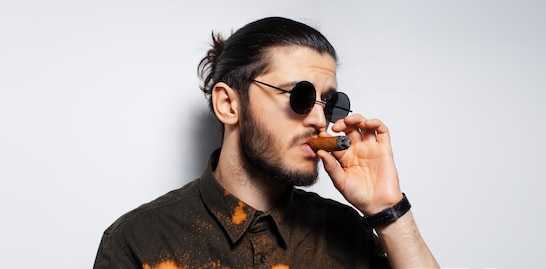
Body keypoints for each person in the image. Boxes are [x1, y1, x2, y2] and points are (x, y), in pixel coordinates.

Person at [94, 17, 439, 269]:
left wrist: (388, 209)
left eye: (330, 102)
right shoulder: (139, 240)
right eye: (300, 95)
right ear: (229, 105)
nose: (320, 119)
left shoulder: (348, 233)